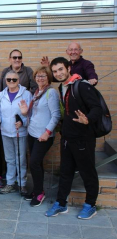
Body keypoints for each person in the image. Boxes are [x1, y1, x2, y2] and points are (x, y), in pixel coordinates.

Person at [45, 57, 102, 220]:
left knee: (87, 172)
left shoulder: (82, 86)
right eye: (55, 71)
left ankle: (90, 205)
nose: (58, 73)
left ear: (69, 68)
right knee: (65, 172)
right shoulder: (62, 87)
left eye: (61, 69)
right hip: (67, 138)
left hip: (83, 138)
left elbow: (96, 108)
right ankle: (61, 203)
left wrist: (88, 119)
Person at [18, 66, 61, 207]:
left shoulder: (51, 93)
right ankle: (37, 190)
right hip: (32, 132)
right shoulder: (37, 92)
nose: (40, 78)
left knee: (34, 163)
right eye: (38, 76)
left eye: (43, 76)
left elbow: (56, 115)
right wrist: (25, 112)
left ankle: (39, 192)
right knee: (37, 163)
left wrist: (47, 133)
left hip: (43, 135)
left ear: (48, 77)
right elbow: (35, 114)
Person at [0, 70, 32, 195]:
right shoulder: (1, 95)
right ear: (5, 81)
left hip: (19, 131)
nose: (11, 82)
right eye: (8, 80)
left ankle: (22, 184)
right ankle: (10, 183)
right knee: (9, 159)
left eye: (14, 80)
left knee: (20, 159)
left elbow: (31, 113)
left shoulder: (26, 94)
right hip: (5, 131)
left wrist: (23, 122)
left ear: (18, 81)